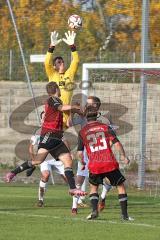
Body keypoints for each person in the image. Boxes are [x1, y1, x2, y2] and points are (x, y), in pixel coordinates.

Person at [5, 82, 87, 197]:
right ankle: (12, 173)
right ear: (57, 89)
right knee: (38, 161)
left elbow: (65, 113)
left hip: (57, 137)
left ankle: (73, 189)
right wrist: (75, 107)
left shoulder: (57, 101)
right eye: (59, 89)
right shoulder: (52, 99)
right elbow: (62, 108)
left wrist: (77, 111)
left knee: (68, 161)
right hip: (49, 135)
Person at [77, 96, 133, 220]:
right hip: (108, 162)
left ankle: (94, 212)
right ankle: (125, 215)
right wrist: (124, 156)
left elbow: (80, 153)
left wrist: (82, 162)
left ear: (86, 116)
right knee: (120, 186)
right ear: (97, 115)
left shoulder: (82, 132)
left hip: (95, 164)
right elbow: (117, 143)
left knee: (93, 187)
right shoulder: (106, 127)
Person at [28, 111, 67, 207]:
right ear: (41, 120)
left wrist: (68, 154)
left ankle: (78, 201)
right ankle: (40, 200)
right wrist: (34, 160)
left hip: (57, 159)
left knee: (68, 178)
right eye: (43, 118)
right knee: (46, 175)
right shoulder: (38, 132)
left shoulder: (57, 130)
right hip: (45, 160)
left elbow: (65, 141)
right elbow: (31, 147)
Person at [45, 30, 79, 129]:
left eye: (63, 61)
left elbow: (76, 61)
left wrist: (72, 46)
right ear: (54, 66)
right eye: (59, 62)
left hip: (67, 114)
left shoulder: (69, 74)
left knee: (64, 138)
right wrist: (51, 46)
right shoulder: (52, 75)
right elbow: (47, 63)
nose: (62, 63)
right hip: (55, 112)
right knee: (57, 138)